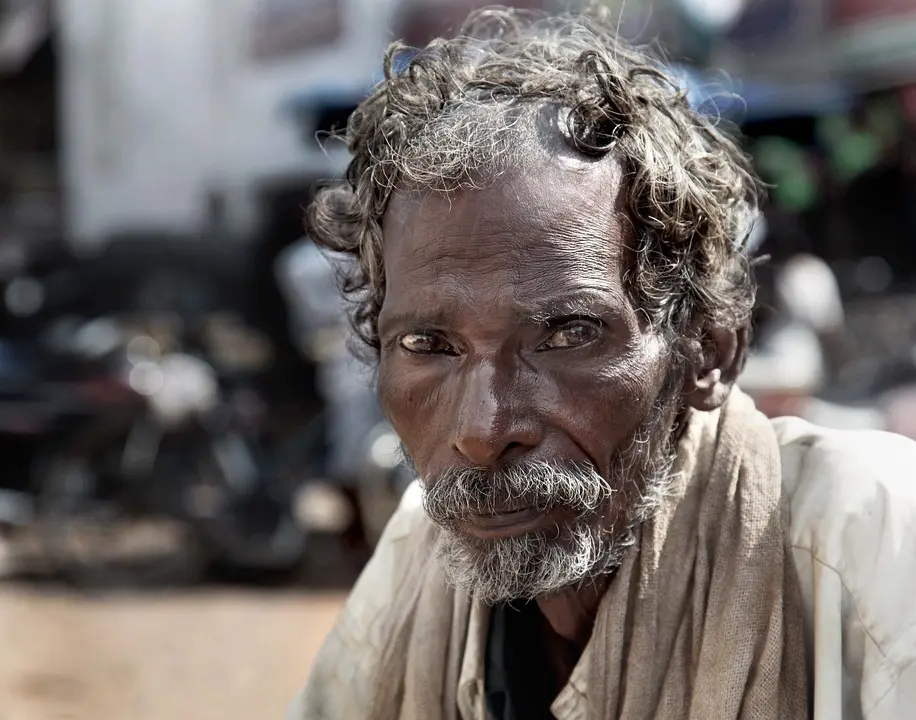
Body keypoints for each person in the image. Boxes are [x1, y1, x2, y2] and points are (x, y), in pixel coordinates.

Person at [288, 7, 916, 719]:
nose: (484, 431)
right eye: (430, 346)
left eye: (566, 335)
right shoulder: (416, 559)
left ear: (709, 350)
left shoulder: (869, 536)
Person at [275, 238, 383, 556]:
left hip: (359, 363)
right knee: (354, 460)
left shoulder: (298, 261)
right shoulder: (309, 260)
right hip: (353, 366)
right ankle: (360, 544)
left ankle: (361, 543)